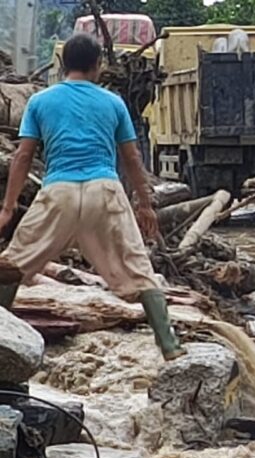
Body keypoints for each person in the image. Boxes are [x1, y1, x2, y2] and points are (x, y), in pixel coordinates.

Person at [0, 34, 184, 361]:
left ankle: (3, 338)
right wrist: (145, 204)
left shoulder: (40, 101)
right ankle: (170, 346)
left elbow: (23, 157)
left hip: (58, 193)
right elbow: (131, 158)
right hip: (105, 191)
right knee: (138, 267)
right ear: (98, 66)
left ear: (61, 65)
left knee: (13, 264)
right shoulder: (113, 103)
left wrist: (8, 207)